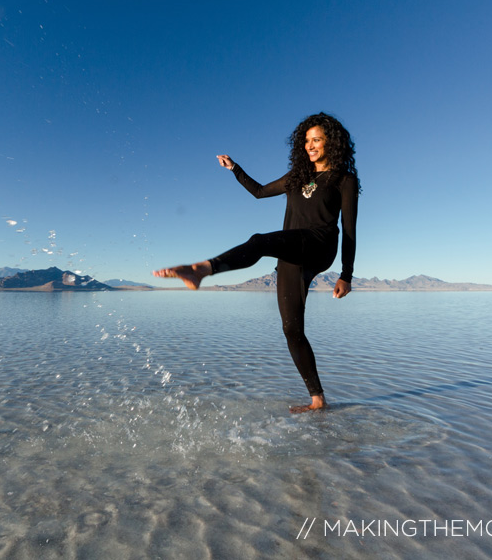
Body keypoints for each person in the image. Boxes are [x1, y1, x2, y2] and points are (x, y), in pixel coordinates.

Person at [153, 112, 359, 413]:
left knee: (260, 241)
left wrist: (346, 275)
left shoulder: (344, 179)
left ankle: (202, 269)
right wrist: (235, 168)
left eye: (317, 140)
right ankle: (318, 399)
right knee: (292, 329)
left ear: (332, 142)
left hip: (320, 244)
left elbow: (350, 229)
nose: (310, 146)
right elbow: (260, 192)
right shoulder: (297, 177)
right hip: (291, 251)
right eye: (306, 141)